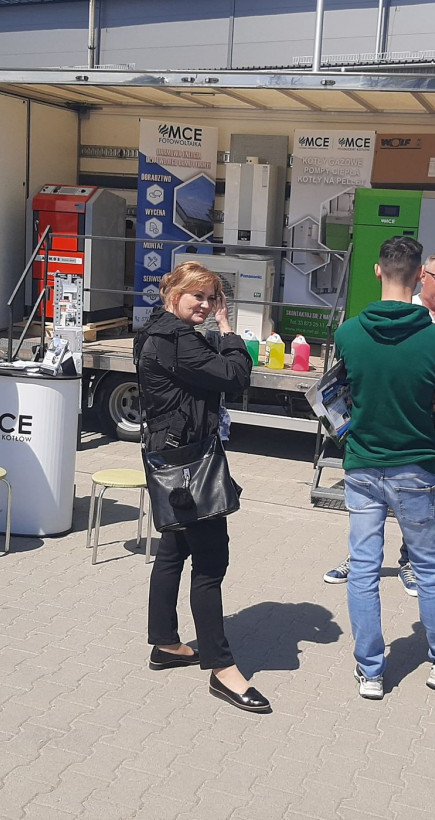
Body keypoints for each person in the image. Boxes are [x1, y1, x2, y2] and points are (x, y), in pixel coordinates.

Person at [334, 235, 435, 700]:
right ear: (419, 276)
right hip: (415, 464)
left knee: (363, 569)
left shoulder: (348, 333)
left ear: (378, 270)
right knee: (431, 569)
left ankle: (370, 670)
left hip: (362, 464)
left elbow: (343, 392)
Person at [134, 262, 270, 714]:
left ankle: (164, 643)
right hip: (189, 465)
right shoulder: (178, 340)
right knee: (211, 561)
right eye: (199, 296)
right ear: (174, 294)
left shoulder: (154, 330)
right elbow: (236, 375)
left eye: (213, 298)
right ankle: (222, 668)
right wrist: (228, 329)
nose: (208, 306)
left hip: (169, 456)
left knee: (173, 550)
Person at [323, 251, 435, 596]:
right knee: (369, 506)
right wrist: (432, 361)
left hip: (434, 427)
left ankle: (409, 561)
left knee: (419, 502)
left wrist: (430, 358)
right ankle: (359, 558)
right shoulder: (397, 307)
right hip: (384, 421)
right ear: (423, 275)